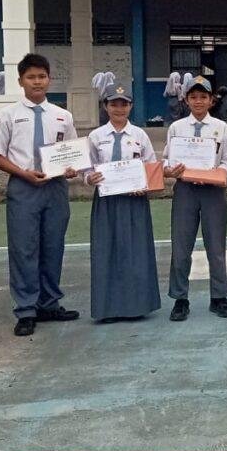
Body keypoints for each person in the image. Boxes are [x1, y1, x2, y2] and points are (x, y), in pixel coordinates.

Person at [0, 54, 80, 337]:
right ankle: (26, 309)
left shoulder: (62, 115)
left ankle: (49, 303)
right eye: (31, 77)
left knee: (53, 246)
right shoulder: (7, 115)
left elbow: (74, 151)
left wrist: (71, 168)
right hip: (24, 186)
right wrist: (23, 173)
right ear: (21, 81)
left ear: (49, 79)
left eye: (42, 76)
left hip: (54, 188)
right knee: (24, 249)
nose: (37, 82)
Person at [81, 83, 161, 323]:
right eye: (114, 103)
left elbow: (151, 166)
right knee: (106, 251)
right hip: (106, 202)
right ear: (105, 106)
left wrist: (144, 185)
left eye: (124, 103)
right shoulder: (96, 136)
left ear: (131, 106)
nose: (119, 108)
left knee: (136, 252)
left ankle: (137, 306)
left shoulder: (139, 135)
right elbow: (86, 167)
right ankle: (107, 309)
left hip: (134, 202)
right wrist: (89, 177)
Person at [163, 75, 227, 321]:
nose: (198, 101)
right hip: (185, 190)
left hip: (213, 190)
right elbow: (166, 158)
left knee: (215, 246)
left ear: (211, 100)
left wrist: (223, 173)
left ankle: (219, 297)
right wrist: (168, 170)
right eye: (193, 97)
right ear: (186, 100)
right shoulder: (177, 128)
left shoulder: (221, 127)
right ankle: (180, 299)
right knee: (181, 246)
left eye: (203, 97)